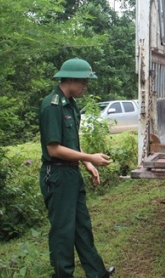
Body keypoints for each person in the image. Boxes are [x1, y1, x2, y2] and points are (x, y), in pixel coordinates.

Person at [39, 58, 115, 278]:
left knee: (82, 226)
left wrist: (87, 163)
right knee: (63, 231)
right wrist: (89, 156)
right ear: (70, 79)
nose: (85, 87)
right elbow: (54, 149)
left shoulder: (70, 104)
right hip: (57, 174)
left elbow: (71, 141)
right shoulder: (52, 106)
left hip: (72, 173)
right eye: (83, 82)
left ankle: (97, 273)